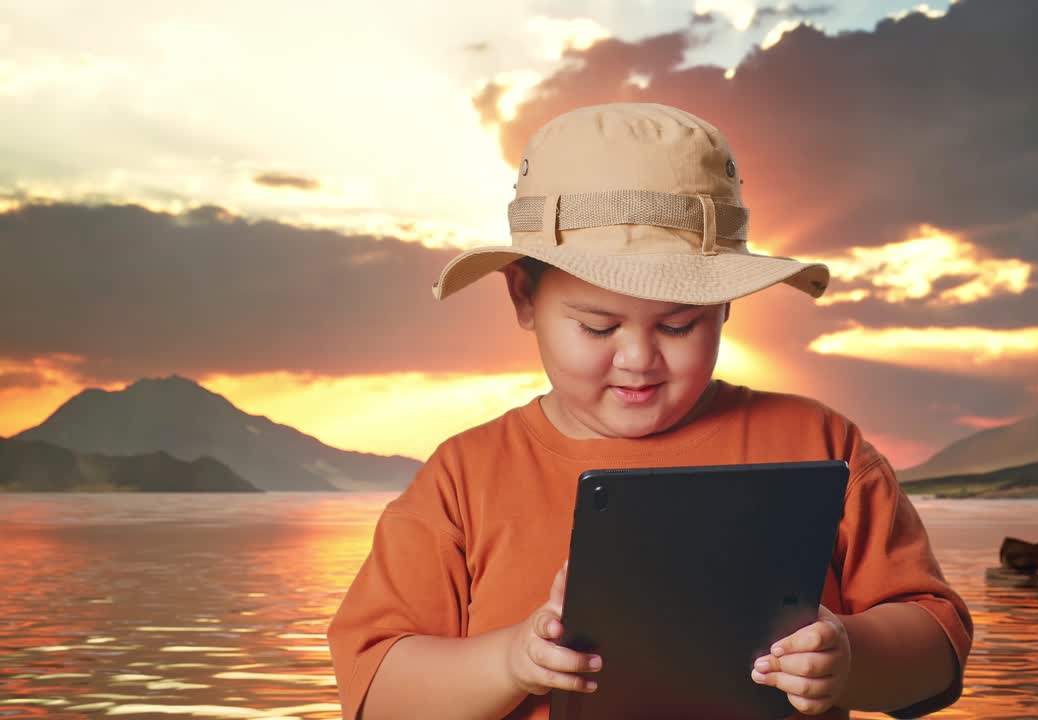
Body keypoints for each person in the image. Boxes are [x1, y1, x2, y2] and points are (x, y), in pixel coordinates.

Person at [326, 102, 973, 720]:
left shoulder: (821, 442)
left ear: (726, 305)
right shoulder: (463, 478)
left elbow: (938, 649)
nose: (638, 359)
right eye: (599, 326)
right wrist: (511, 661)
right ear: (523, 297)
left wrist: (852, 655)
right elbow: (376, 694)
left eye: (677, 325)